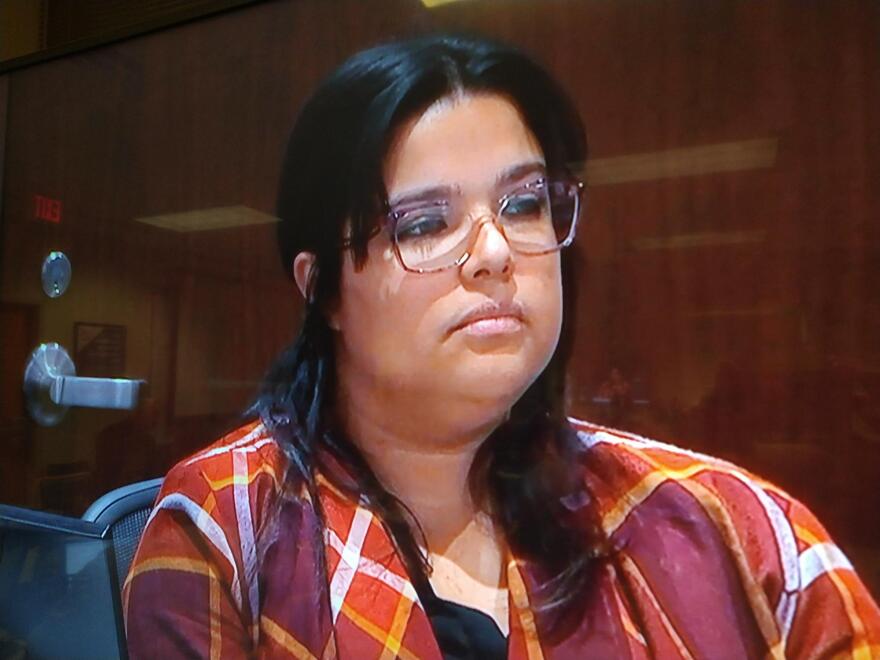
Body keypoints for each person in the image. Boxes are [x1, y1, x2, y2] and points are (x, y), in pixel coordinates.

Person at [123, 34, 880, 659]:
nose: (494, 251)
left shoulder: (731, 527)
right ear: (321, 289)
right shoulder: (228, 529)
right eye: (422, 223)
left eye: (524, 204)